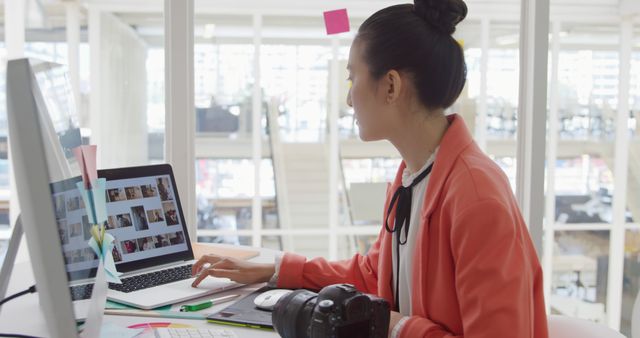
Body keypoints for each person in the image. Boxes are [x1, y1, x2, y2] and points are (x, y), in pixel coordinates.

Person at [190, 1, 548, 337]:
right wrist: (277, 269)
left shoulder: (476, 196)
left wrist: (394, 326)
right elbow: (374, 273)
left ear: (390, 86)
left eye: (352, 78)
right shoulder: (413, 174)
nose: (349, 98)